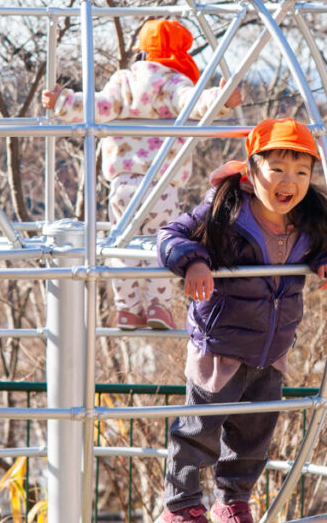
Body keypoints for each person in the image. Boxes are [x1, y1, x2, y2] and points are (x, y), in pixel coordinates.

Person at [156, 117, 327, 523]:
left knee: (254, 435)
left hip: (271, 349)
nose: (289, 181)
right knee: (198, 431)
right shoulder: (227, 212)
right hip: (220, 345)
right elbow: (171, 235)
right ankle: (180, 505)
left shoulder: (309, 218)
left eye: (301, 172)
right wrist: (194, 261)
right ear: (252, 169)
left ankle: (233, 501)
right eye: (277, 168)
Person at [42, 18, 241, 330]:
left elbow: (98, 106)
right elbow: (193, 104)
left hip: (122, 183)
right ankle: (158, 307)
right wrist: (221, 99)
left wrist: (63, 102)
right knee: (161, 245)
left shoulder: (124, 81)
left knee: (123, 248)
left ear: (142, 52)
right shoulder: (173, 82)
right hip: (162, 185)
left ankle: (127, 309)